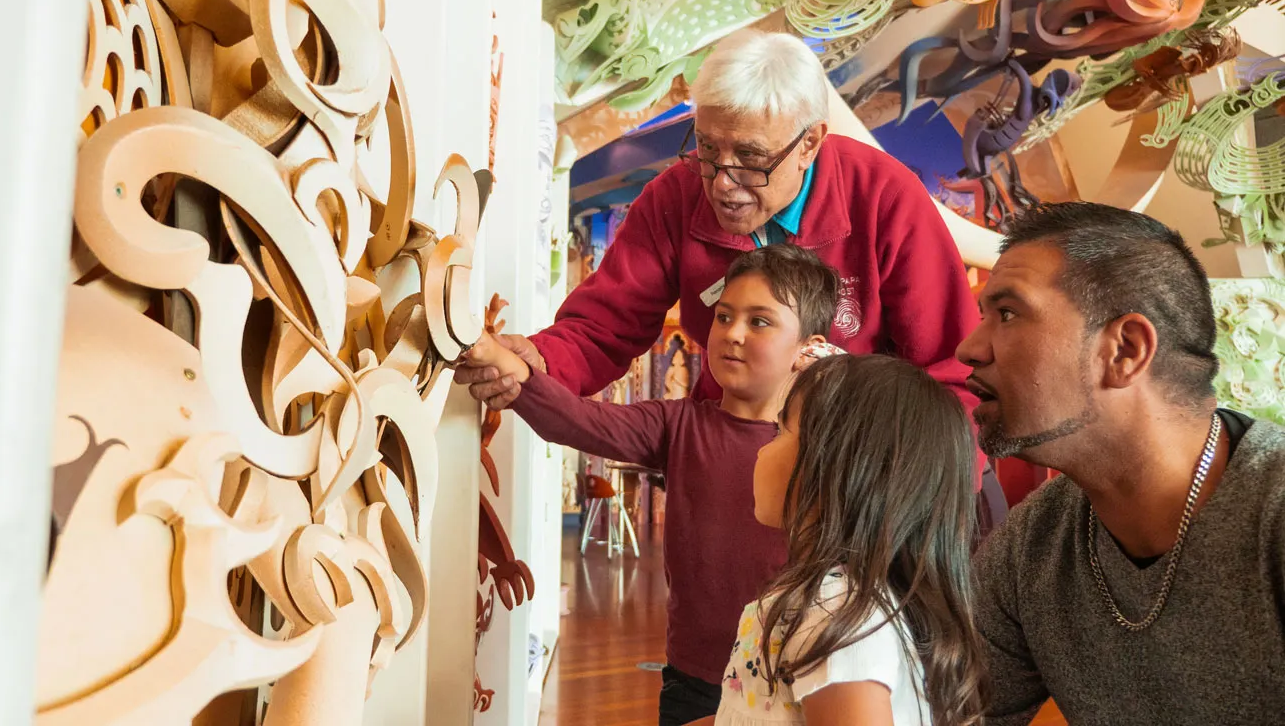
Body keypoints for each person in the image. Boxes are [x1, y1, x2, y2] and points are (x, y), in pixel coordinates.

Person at [454, 28, 1005, 528]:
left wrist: (910, 497)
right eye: (708, 149)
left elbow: (953, 378)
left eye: (751, 158)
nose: (722, 182)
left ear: (810, 143)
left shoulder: (886, 197)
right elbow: (603, 327)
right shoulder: (675, 196)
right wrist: (538, 361)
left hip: (876, 479)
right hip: (734, 458)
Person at [465, 244, 841, 726]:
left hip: (790, 677)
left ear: (809, 348)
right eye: (724, 317)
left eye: (760, 321)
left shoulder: (827, 447)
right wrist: (518, 376)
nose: (733, 334)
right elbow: (582, 421)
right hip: (694, 678)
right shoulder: (679, 424)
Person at [961, 202, 1285, 725]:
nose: (968, 348)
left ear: (1125, 350)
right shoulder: (1031, 548)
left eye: (1007, 313)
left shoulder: (1273, 513)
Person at [715, 354, 986, 726]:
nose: (762, 448)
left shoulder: (835, 618)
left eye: (781, 430)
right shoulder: (830, 603)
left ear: (841, 471)